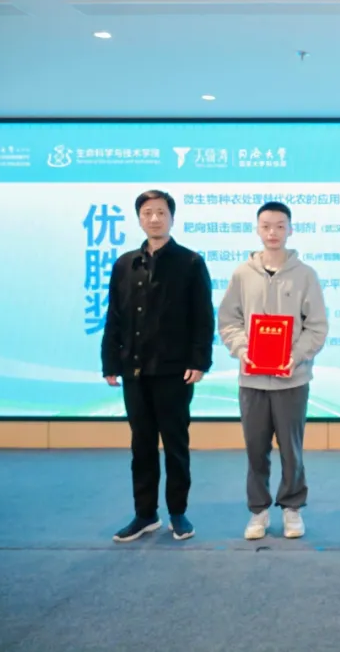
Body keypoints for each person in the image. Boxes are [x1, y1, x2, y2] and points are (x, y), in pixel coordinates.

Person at [102, 189, 214, 543]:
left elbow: (203, 317)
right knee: (142, 445)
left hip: (174, 371)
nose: (154, 218)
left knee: (176, 445)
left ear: (172, 218)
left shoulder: (190, 262)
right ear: (139, 219)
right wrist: (110, 361)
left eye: (161, 212)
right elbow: (114, 316)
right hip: (134, 370)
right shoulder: (125, 264)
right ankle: (145, 514)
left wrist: (199, 361)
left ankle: (178, 513)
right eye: (147, 212)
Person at [218, 201, 329, 541]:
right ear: (257, 229)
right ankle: (259, 511)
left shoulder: (305, 275)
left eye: (280, 226)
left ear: (290, 229)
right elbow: (228, 321)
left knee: (291, 449)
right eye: (266, 226)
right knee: (256, 448)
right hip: (252, 380)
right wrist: (244, 351)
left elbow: (317, 327)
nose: (273, 232)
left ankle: (292, 507)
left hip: (292, 379)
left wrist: (294, 357)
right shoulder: (242, 274)